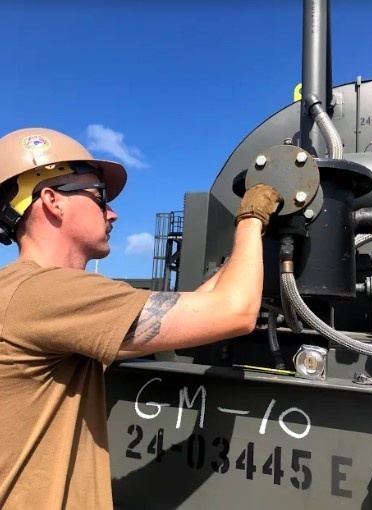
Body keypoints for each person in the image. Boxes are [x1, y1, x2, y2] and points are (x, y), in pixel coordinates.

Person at [0, 127, 281, 509]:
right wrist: (252, 217)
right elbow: (236, 312)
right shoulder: (49, 295)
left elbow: (196, 313)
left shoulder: (24, 292)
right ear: (52, 200)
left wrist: (239, 260)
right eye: (99, 196)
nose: (112, 212)